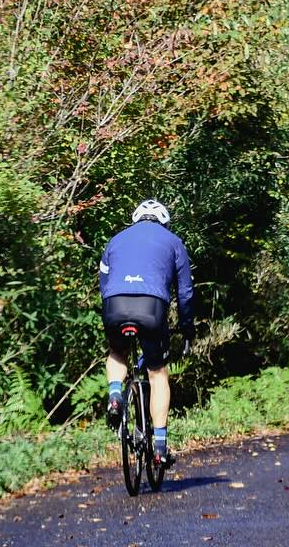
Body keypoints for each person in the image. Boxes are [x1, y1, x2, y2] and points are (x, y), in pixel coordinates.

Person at [99, 199, 194, 465]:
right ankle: (160, 448)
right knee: (157, 372)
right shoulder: (174, 242)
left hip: (115, 305)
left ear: (136, 218)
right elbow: (185, 292)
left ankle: (116, 395)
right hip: (151, 308)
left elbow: (104, 283)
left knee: (118, 352)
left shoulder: (115, 240)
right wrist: (187, 327)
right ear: (163, 221)